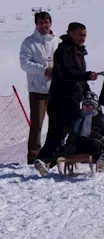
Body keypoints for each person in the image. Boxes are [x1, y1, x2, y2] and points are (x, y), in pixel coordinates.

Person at [40, 22, 99, 163]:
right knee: (57, 133)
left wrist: (87, 92)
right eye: (80, 35)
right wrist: (86, 76)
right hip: (61, 99)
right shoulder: (64, 50)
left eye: (84, 35)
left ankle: (51, 161)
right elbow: (68, 73)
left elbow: (79, 78)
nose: (83, 38)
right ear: (70, 33)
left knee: (69, 132)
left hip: (73, 98)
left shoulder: (78, 50)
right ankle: (44, 161)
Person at [33, 91, 104, 175]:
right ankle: (45, 164)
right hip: (77, 143)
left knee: (97, 149)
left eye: (90, 105)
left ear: (95, 106)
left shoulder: (100, 118)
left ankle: (101, 161)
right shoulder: (77, 117)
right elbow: (68, 131)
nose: (87, 107)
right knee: (60, 150)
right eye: (85, 105)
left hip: (93, 142)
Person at [19, 11, 57, 164]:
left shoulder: (57, 41)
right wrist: (44, 70)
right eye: (41, 22)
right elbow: (25, 63)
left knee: (56, 125)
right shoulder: (29, 42)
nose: (44, 25)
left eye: (47, 22)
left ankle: (52, 155)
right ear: (36, 24)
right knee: (37, 125)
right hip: (37, 90)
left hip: (55, 90)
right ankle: (33, 157)